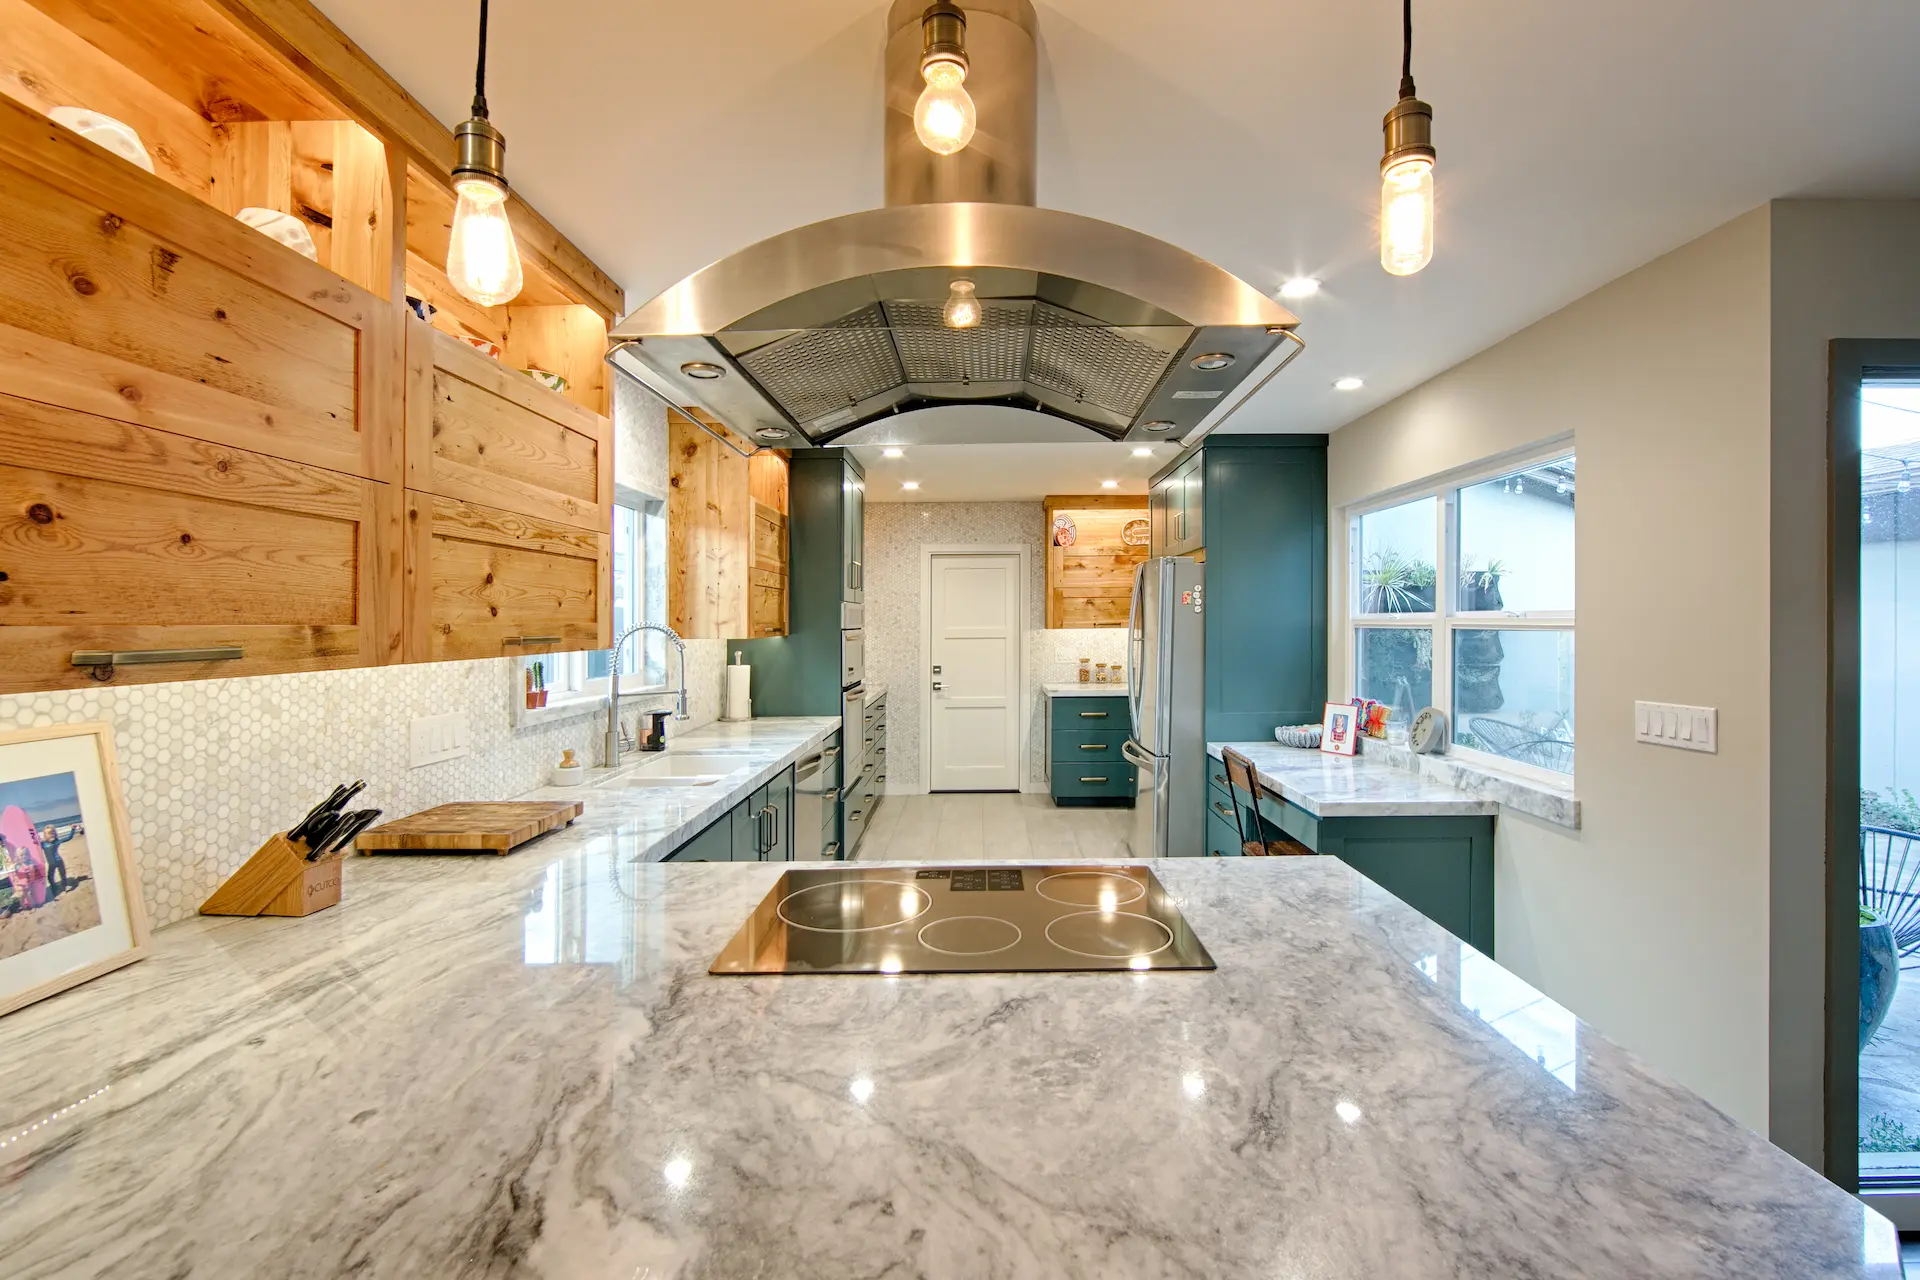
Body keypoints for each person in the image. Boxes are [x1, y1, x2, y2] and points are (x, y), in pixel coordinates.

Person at [39, 823, 68, 894]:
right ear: (45, 835)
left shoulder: (57, 841)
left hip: (59, 861)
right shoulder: (43, 844)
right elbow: (34, 845)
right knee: (50, 877)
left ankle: (64, 887)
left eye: (52, 833)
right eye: (49, 833)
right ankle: (54, 888)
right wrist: (36, 839)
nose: (51, 834)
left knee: (63, 874)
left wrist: (73, 829)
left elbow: (68, 838)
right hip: (51, 864)